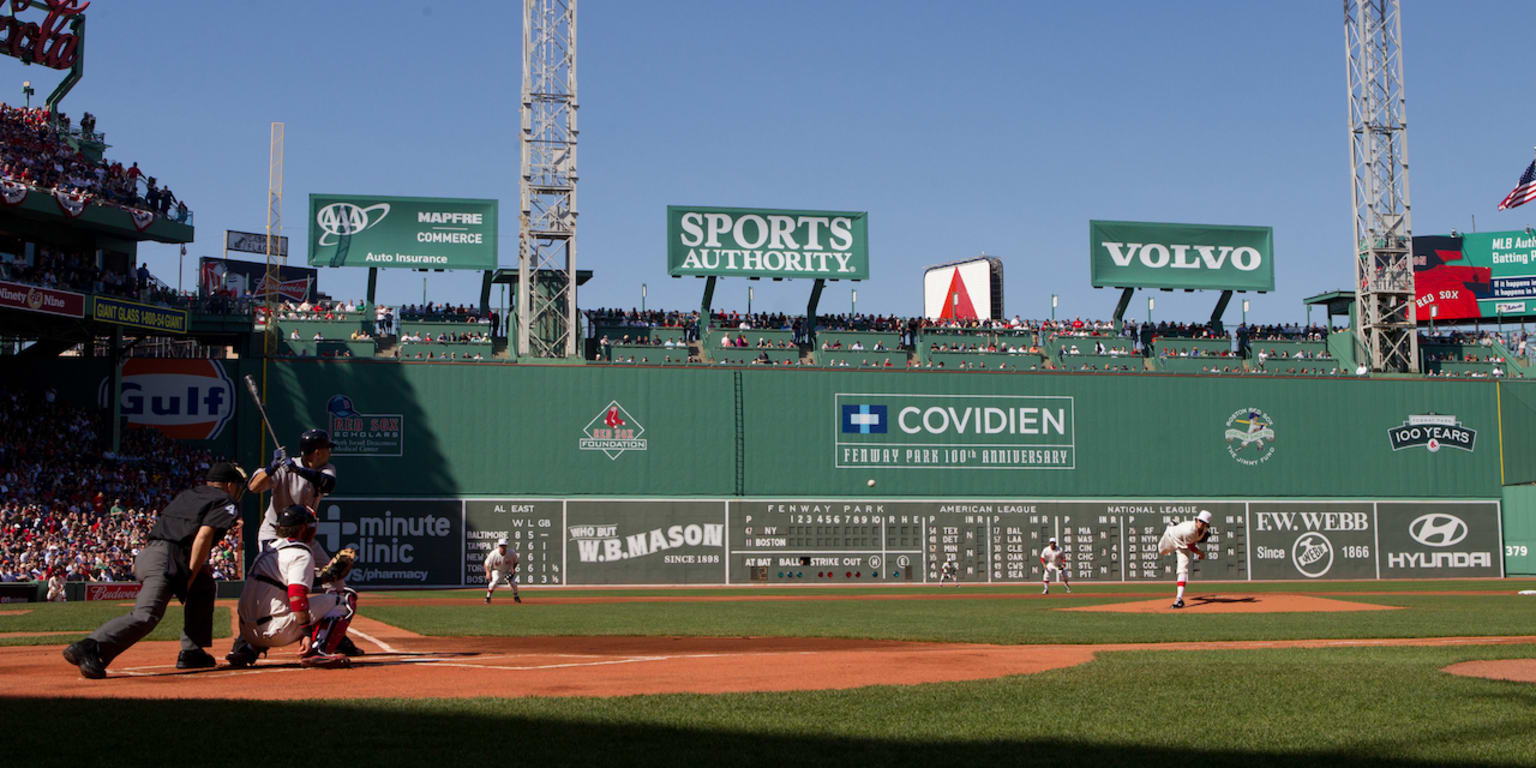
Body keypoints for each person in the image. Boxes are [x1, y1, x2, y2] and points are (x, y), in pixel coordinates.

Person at [61, 462, 247, 679]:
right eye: (236, 485)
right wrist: (190, 574)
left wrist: (196, 575)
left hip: (150, 554)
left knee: (204, 585)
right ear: (228, 485)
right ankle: (90, 647)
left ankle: (192, 651)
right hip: (168, 559)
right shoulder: (225, 499)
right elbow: (204, 536)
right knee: (147, 615)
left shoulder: (189, 494)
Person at [234, 505, 357, 669]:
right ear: (304, 529)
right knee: (346, 599)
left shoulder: (269, 549)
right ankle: (317, 650)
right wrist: (306, 633)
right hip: (274, 631)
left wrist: (325, 578)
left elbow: (284, 582)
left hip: (247, 633)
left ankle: (248, 650)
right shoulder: (300, 553)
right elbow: (296, 594)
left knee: (272, 597)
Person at [1158, 510, 1213, 609]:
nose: (1200, 523)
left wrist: (1199, 540)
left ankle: (1179, 599)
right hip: (1172, 537)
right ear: (1196, 520)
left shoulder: (1203, 530)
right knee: (1161, 551)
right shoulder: (1189, 530)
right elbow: (1192, 547)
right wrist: (1201, 553)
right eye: (1199, 520)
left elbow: (1190, 545)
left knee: (1183, 570)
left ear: (1207, 525)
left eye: (1203, 522)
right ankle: (1171, 525)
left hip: (1183, 546)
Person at [482, 538, 522, 604]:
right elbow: (486, 564)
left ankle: (516, 597)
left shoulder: (511, 553)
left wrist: (513, 569)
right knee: (494, 582)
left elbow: (516, 562)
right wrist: (487, 572)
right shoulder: (493, 554)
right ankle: (488, 597)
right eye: (501, 546)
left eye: (504, 546)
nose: (503, 547)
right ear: (498, 546)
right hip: (497, 570)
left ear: (506, 546)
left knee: (513, 584)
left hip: (507, 570)